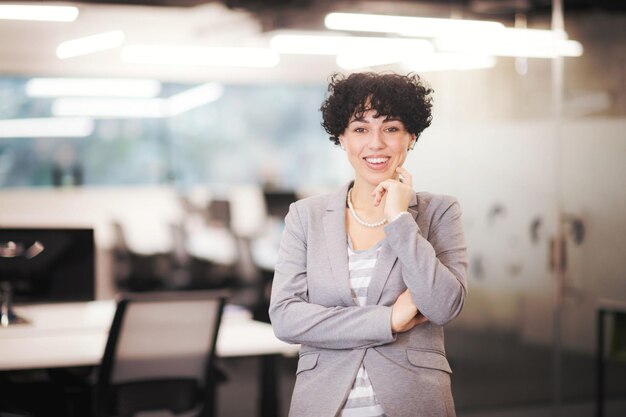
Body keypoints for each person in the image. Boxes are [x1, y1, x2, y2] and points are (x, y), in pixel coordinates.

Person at [269, 72, 468, 417]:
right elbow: (286, 318)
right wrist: (388, 320)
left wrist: (399, 219)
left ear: (411, 137)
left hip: (413, 402)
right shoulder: (306, 216)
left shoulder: (438, 211)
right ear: (342, 138)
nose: (375, 143)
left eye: (391, 128)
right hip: (324, 404)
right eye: (360, 129)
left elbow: (444, 306)